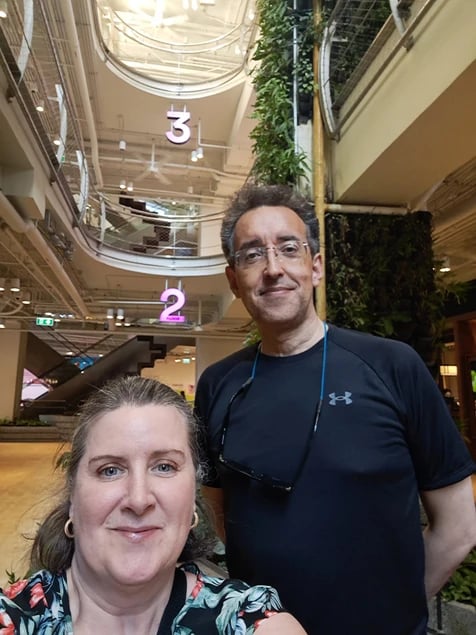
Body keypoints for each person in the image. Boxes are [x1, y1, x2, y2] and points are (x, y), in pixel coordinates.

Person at [194, 182, 476, 635]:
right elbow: (222, 512)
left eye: (289, 249)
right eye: (252, 255)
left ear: (316, 266)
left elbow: (459, 525)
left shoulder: (392, 366)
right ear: (233, 279)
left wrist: (396, 610)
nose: (273, 268)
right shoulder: (217, 385)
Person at [0, 375, 306, 634]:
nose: (138, 499)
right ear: (73, 497)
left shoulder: (249, 622)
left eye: (164, 467)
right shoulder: (12, 619)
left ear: (194, 494)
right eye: (110, 470)